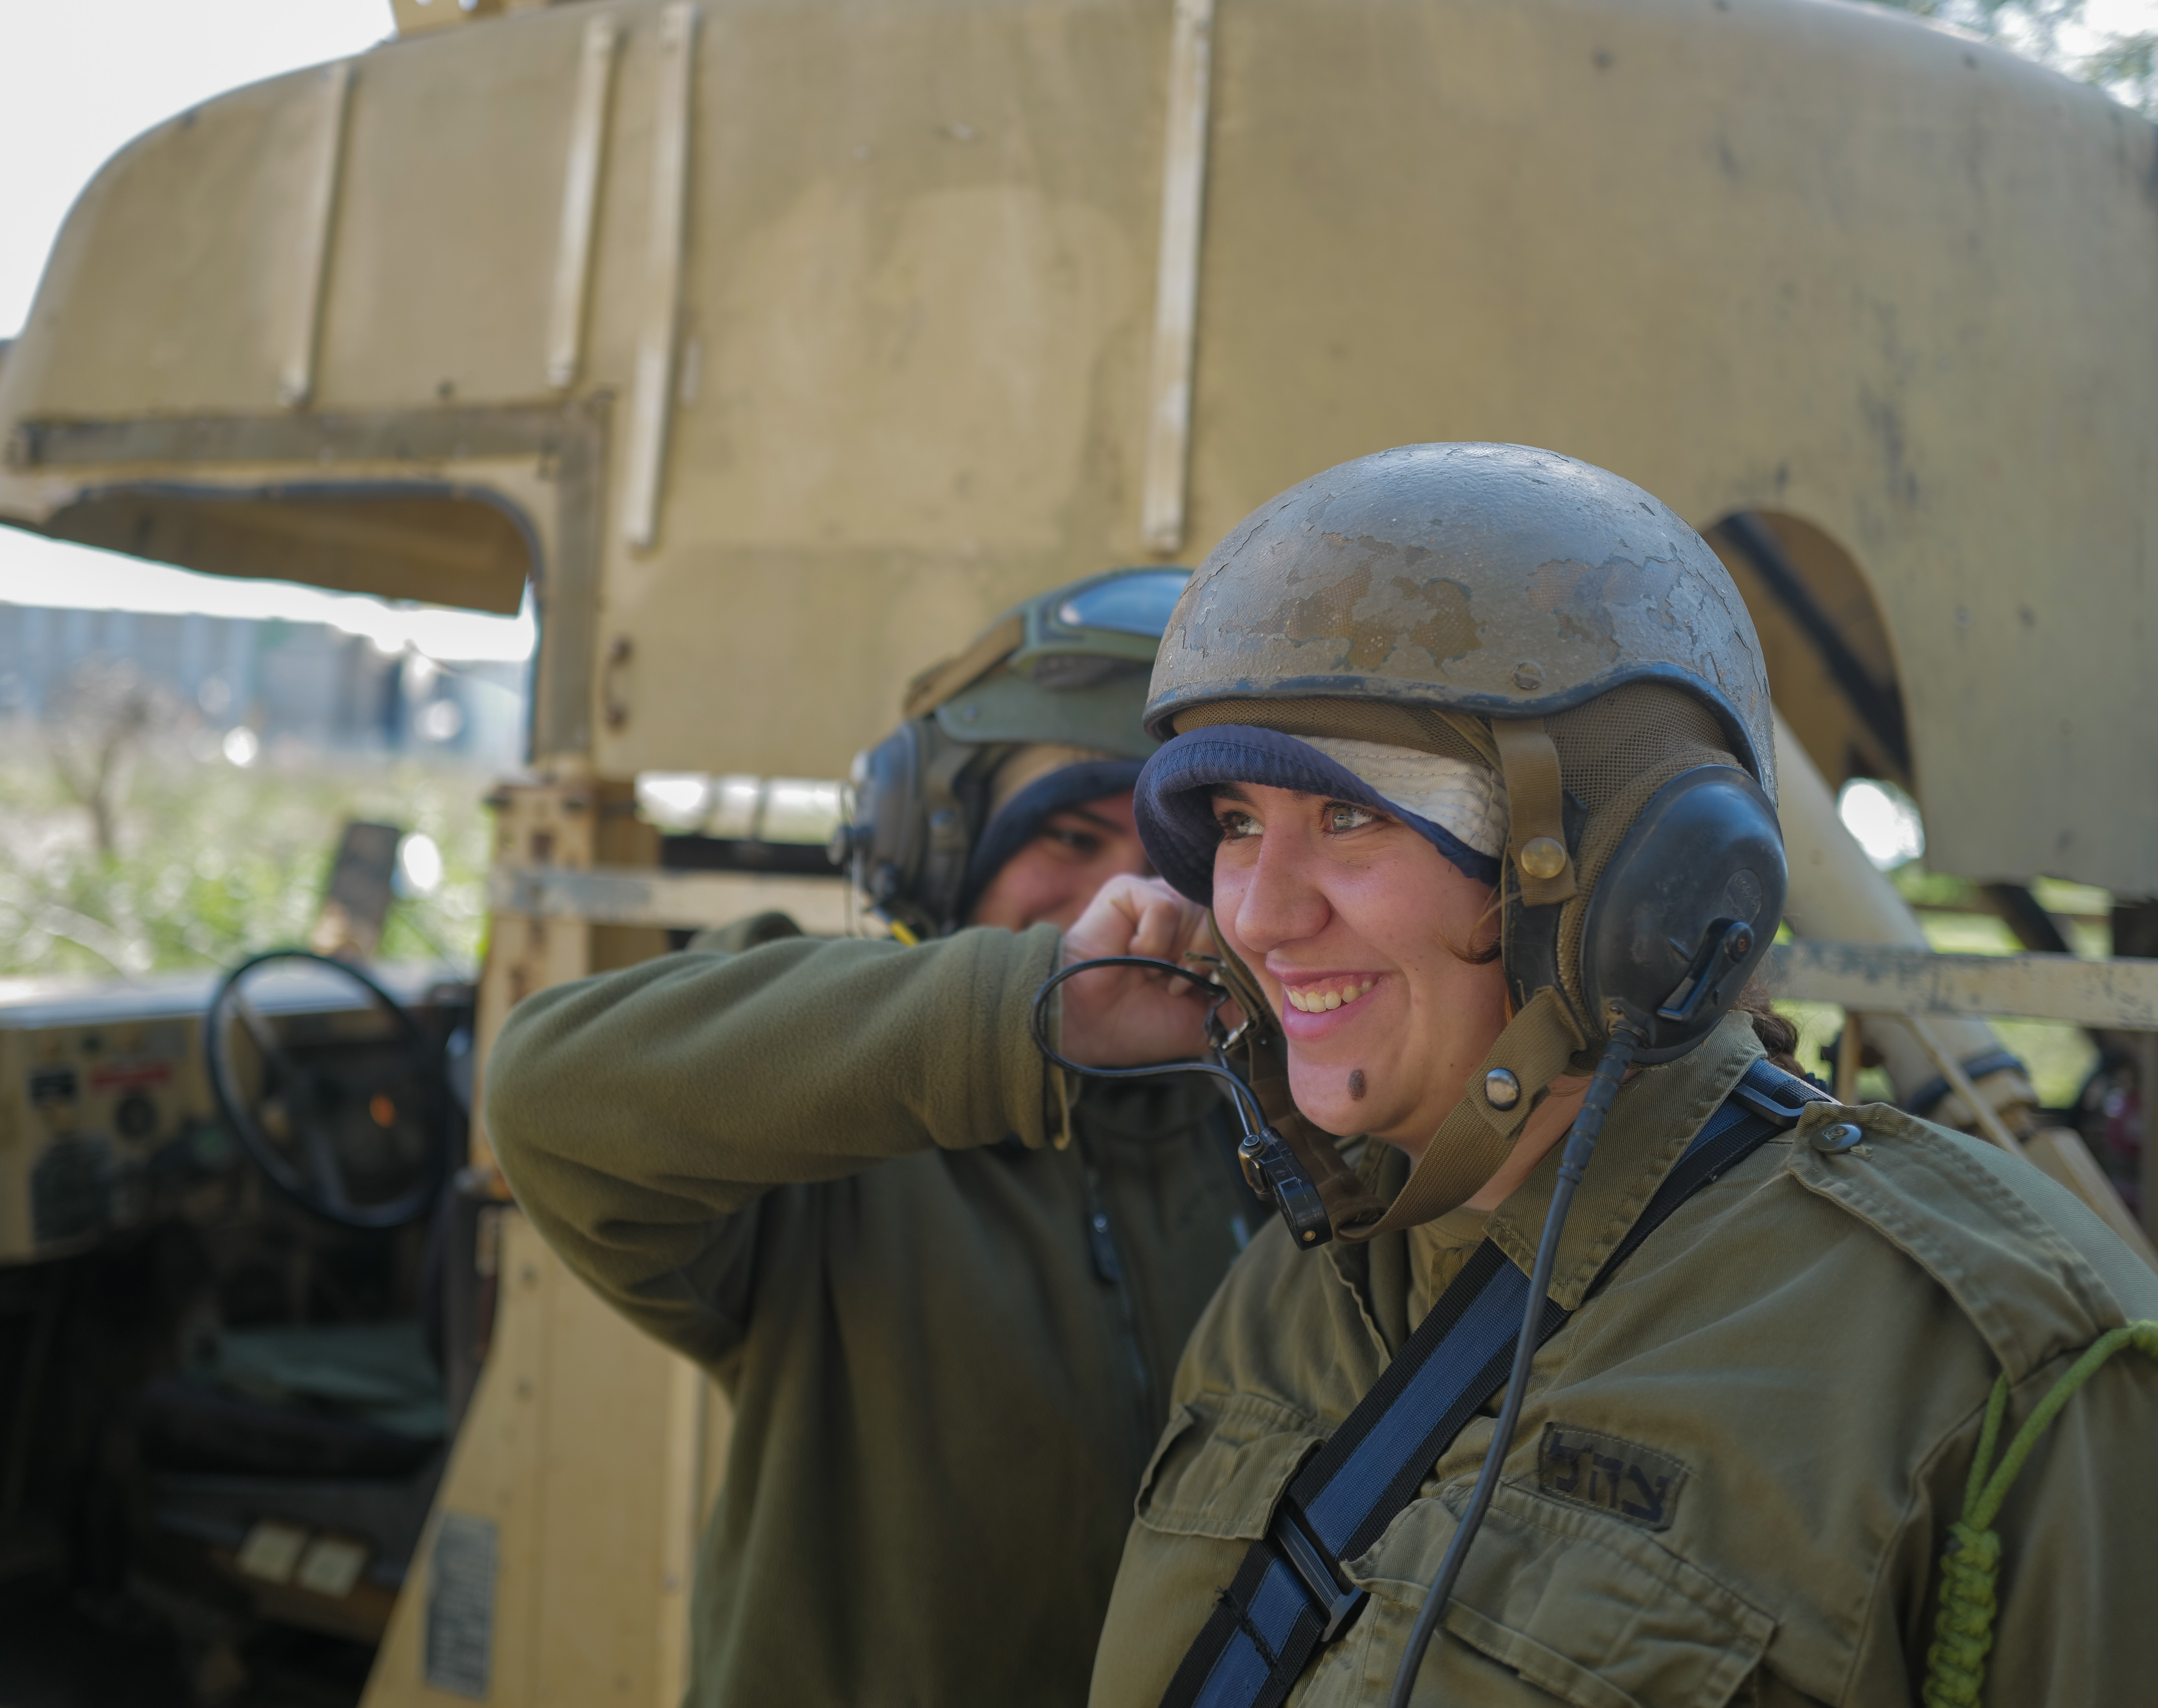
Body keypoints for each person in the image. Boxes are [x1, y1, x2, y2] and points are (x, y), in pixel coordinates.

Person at [1046, 443, 2158, 1706]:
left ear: (1634, 875)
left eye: (1348, 816)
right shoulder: (1296, 1288)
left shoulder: (1985, 1363)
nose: (1255, 912)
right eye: (1237, 824)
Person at [484, 571, 1267, 1708]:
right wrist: (1037, 1003)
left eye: (1173, 857)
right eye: (1068, 832)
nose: (1128, 895)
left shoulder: (1276, 1138)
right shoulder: (835, 1150)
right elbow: (548, 1092)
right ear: (938, 850)